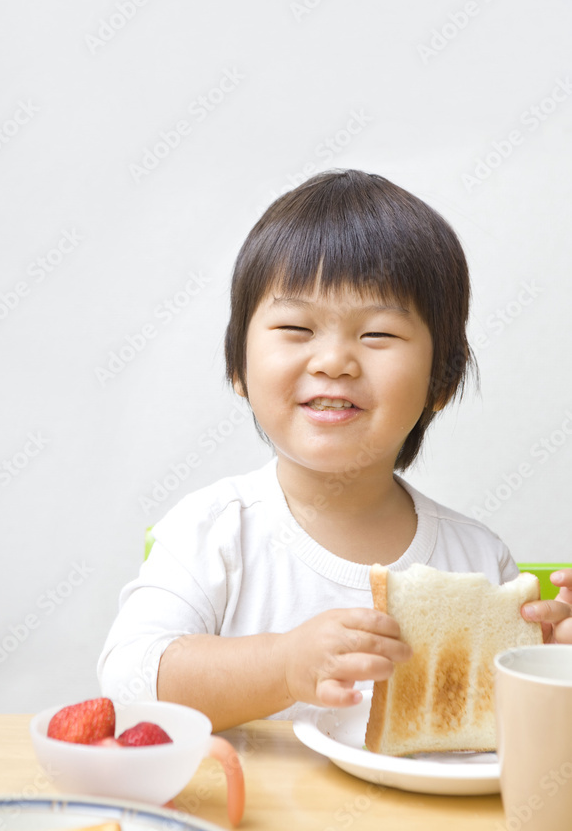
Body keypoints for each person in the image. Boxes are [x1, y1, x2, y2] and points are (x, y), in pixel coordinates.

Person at [97, 168, 572, 731]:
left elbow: (507, 740)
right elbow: (127, 681)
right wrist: (284, 665)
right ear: (238, 368)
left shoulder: (477, 559)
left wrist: (545, 667)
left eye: (378, 335)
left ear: (441, 381)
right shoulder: (214, 531)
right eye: (296, 328)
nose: (333, 361)